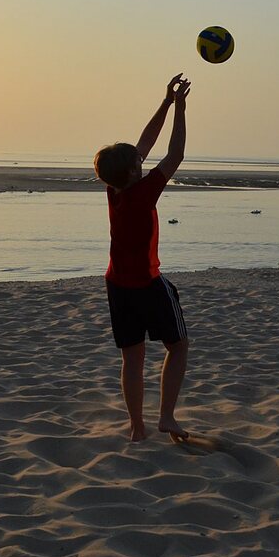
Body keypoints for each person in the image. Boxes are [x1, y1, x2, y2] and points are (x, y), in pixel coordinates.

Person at [94, 73, 191, 442]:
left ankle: (137, 427)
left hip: (117, 285)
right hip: (148, 284)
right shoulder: (143, 192)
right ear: (134, 170)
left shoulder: (115, 189)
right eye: (137, 160)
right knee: (178, 347)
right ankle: (166, 417)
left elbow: (144, 145)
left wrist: (165, 102)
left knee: (132, 359)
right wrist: (180, 108)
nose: (141, 157)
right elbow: (175, 154)